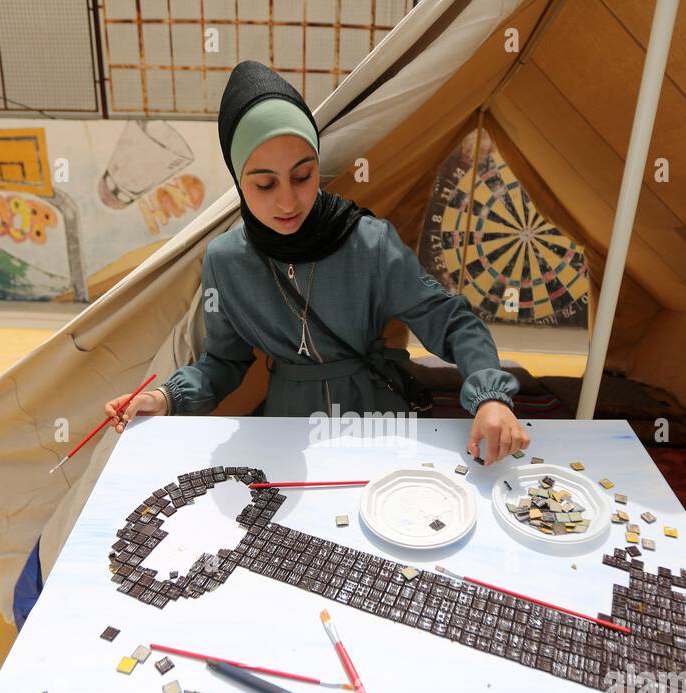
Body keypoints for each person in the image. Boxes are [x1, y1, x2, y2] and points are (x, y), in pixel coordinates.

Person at [106, 60, 529, 465]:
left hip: (376, 416)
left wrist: (490, 395)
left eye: (303, 175)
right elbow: (222, 363)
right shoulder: (226, 261)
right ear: (238, 179)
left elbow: (449, 319)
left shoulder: (369, 243)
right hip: (288, 426)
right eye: (265, 183)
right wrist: (166, 398)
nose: (287, 201)